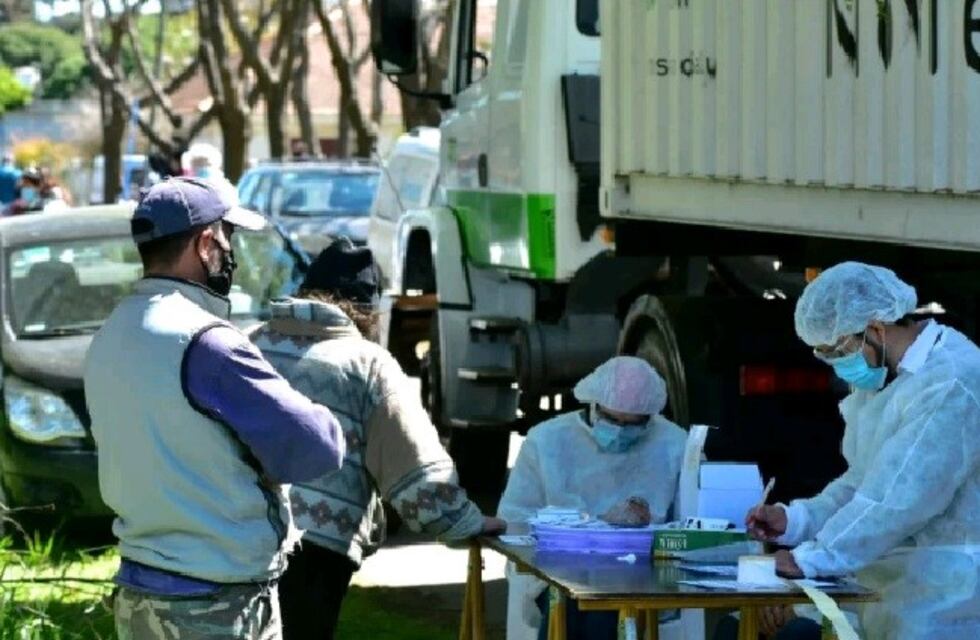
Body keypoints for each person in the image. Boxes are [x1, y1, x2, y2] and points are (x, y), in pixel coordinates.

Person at [84, 177, 347, 639]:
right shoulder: (208, 343)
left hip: (140, 587)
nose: (231, 252)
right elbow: (317, 446)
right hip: (215, 600)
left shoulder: (112, 332)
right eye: (229, 237)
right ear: (206, 243)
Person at [250, 237, 506, 640]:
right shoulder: (366, 363)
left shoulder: (251, 343)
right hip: (317, 548)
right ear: (367, 311)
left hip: (238, 531)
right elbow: (412, 461)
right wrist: (462, 520)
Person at [746, 261, 980, 639]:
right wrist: (798, 519)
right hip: (893, 579)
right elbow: (864, 481)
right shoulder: (888, 377)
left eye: (837, 351)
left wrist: (812, 557)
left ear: (874, 329)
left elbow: (900, 499)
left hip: (948, 591)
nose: (838, 366)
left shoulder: (951, 381)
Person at [497, 356, 688, 640]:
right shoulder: (547, 441)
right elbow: (514, 522)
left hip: (638, 578)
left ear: (650, 419)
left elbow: (691, 523)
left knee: (605, 606)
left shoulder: (674, 445)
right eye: (611, 419)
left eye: (632, 424)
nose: (620, 431)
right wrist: (587, 526)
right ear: (593, 403)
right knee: (573, 603)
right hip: (556, 572)